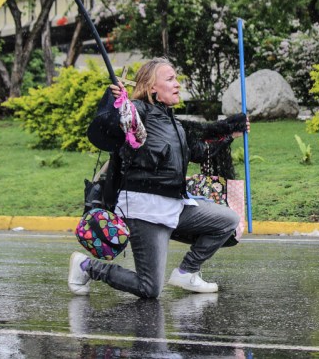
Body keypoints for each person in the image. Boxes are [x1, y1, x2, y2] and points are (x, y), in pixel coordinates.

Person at [68, 57, 249, 298]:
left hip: (176, 206)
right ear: (152, 87)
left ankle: (187, 272)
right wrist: (120, 103)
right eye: (170, 79)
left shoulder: (175, 124)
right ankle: (86, 266)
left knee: (228, 220)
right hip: (145, 210)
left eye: (176, 79)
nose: (177, 84)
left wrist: (230, 135)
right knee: (149, 288)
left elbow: (200, 152)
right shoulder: (138, 112)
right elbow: (119, 124)